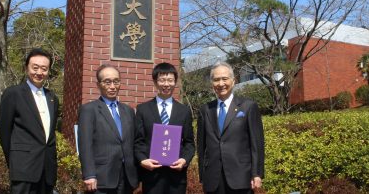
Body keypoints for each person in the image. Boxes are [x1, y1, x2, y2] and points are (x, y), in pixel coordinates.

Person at [197, 61, 265, 194]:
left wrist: (257, 173)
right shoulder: (205, 109)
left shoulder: (248, 106)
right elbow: (201, 146)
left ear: (233, 81)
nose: (221, 84)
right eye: (216, 80)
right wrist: (202, 176)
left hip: (241, 178)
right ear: (212, 84)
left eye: (224, 79)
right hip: (213, 180)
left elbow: (256, 144)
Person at [0, 48, 59, 194]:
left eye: (44, 69)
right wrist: (15, 161)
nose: (39, 72)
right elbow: (4, 133)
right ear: (26, 68)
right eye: (35, 67)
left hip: (47, 170)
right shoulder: (13, 93)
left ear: (48, 71)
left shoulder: (52, 98)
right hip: (23, 168)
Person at [134, 62, 195, 194]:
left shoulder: (184, 111)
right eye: (162, 80)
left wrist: (184, 160)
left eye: (170, 80)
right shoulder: (143, 110)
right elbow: (138, 141)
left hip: (176, 178)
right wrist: (143, 160)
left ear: (175, 82)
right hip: (152, 177)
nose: (166, 84)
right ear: (155, 82)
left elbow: (189, 143)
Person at [77, 65, 138, 194]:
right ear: (98, 85)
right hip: (102, 177)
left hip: (127, 178)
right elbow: (85, 145)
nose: (112, 86)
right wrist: (89, 175)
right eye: (107, 82)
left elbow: (133, 143)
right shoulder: (89, 110)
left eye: (116, 81)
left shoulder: (128, 111)